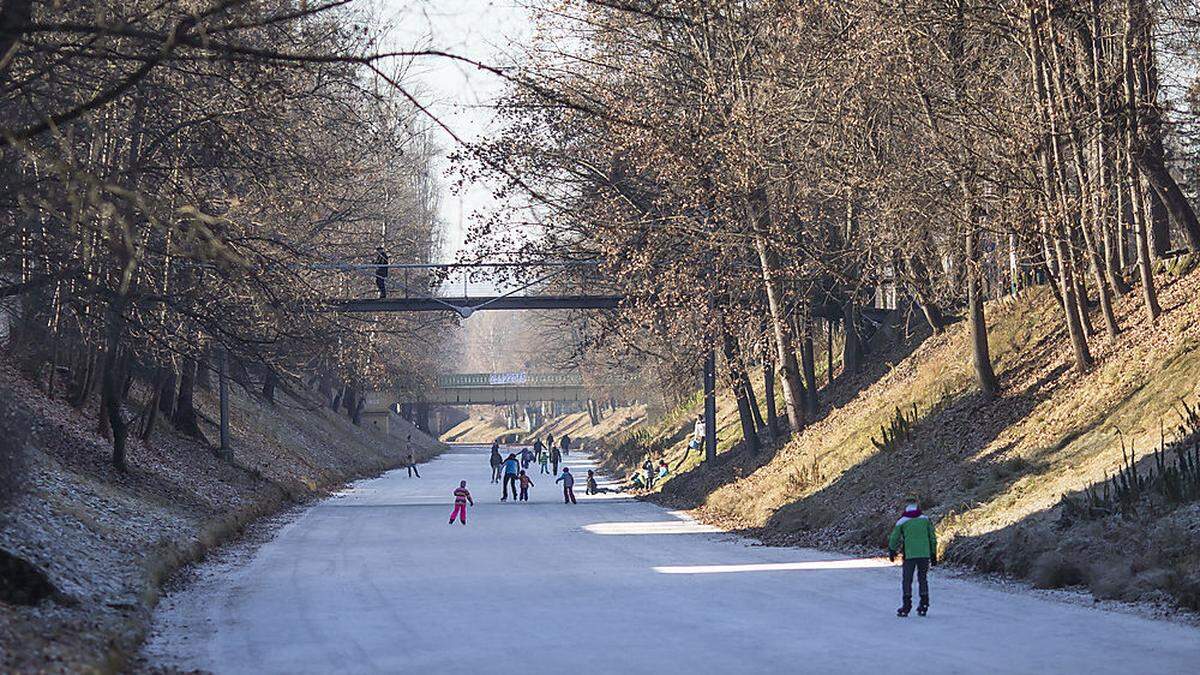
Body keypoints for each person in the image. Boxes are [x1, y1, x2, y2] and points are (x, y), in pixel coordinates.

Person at [888, 494, 938, 617]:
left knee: (907, 579)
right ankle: (924, 604)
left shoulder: (902, 522)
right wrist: (933, 553)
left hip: (909, 554)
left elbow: (894, 538)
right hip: (924, 554)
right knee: (923, 578)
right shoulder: (925, 520)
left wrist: (892, 550)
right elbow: (932, 538)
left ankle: (906, 606)